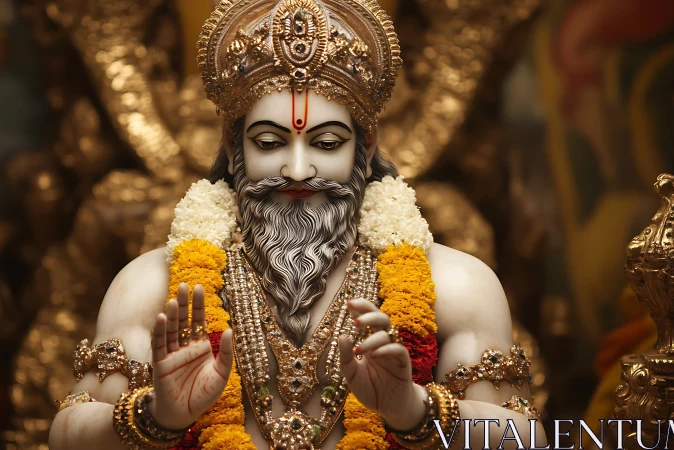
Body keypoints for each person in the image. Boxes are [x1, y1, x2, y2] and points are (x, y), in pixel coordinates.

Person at [49, 0, 548, 448]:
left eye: (327, 144)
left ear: (366, 146)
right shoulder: (153, 287)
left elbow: (525, 436)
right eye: (268, 142)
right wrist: (158, 415)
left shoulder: (456, 285)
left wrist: (412, 411)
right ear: (231, 143)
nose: (296, 169)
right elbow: (67, 436)